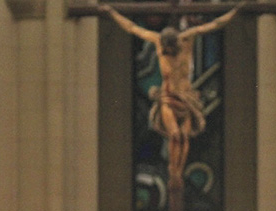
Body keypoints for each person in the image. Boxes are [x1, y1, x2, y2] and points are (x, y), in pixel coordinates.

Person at [100, 4, 241, 191]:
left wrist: (235, 12)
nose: (166, 54)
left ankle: (179, 172)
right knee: (174, 135)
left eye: (169, 50)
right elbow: (133, 28)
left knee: (184, 137)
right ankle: (173, 173)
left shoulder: (188, 40)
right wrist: (112, 13)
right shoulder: (158, 42)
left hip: (185, 99)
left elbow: (214, 25)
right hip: (167, 98)